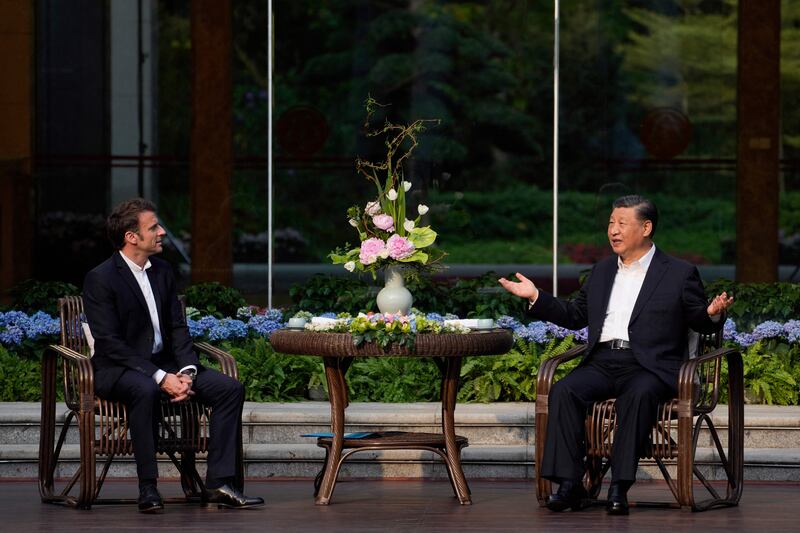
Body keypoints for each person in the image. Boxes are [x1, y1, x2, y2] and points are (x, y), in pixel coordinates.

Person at [499, 195, 733, 515]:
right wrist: (536, 296)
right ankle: (570, 485)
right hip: (604, 360)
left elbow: (698, 319)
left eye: (622, 223)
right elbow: (575, 315)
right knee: (565, 390)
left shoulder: (678, 272)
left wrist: (712, 313)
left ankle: (619, 486)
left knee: (637, 394)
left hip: (649, 366)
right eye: (611, 223)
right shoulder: (603, 270)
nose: (613, 230)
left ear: (646, 227)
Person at [83, 198, 263, 513]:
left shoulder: (163, 271)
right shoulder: (101, 278)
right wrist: (161, 377)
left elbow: (178, 329)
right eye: (154, 227)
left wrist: (187, 372)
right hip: (119, 369)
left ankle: (219, 483)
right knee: (145, 388)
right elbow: (109, 343)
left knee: (229, 389)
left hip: (166, 364)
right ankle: (148, 487)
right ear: (132, 237)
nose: (162, 232)